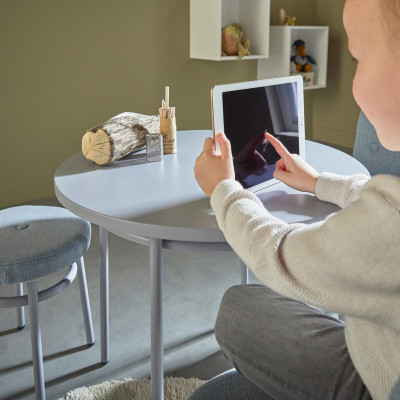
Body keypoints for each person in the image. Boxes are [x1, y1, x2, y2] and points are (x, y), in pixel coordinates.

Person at [191, 0, 400, 399]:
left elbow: (280, 253)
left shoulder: (387, 225)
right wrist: (320, 182)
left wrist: (224, 190)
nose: (353, 81)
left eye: (358, 58)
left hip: (377, 381)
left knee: (237, 309)